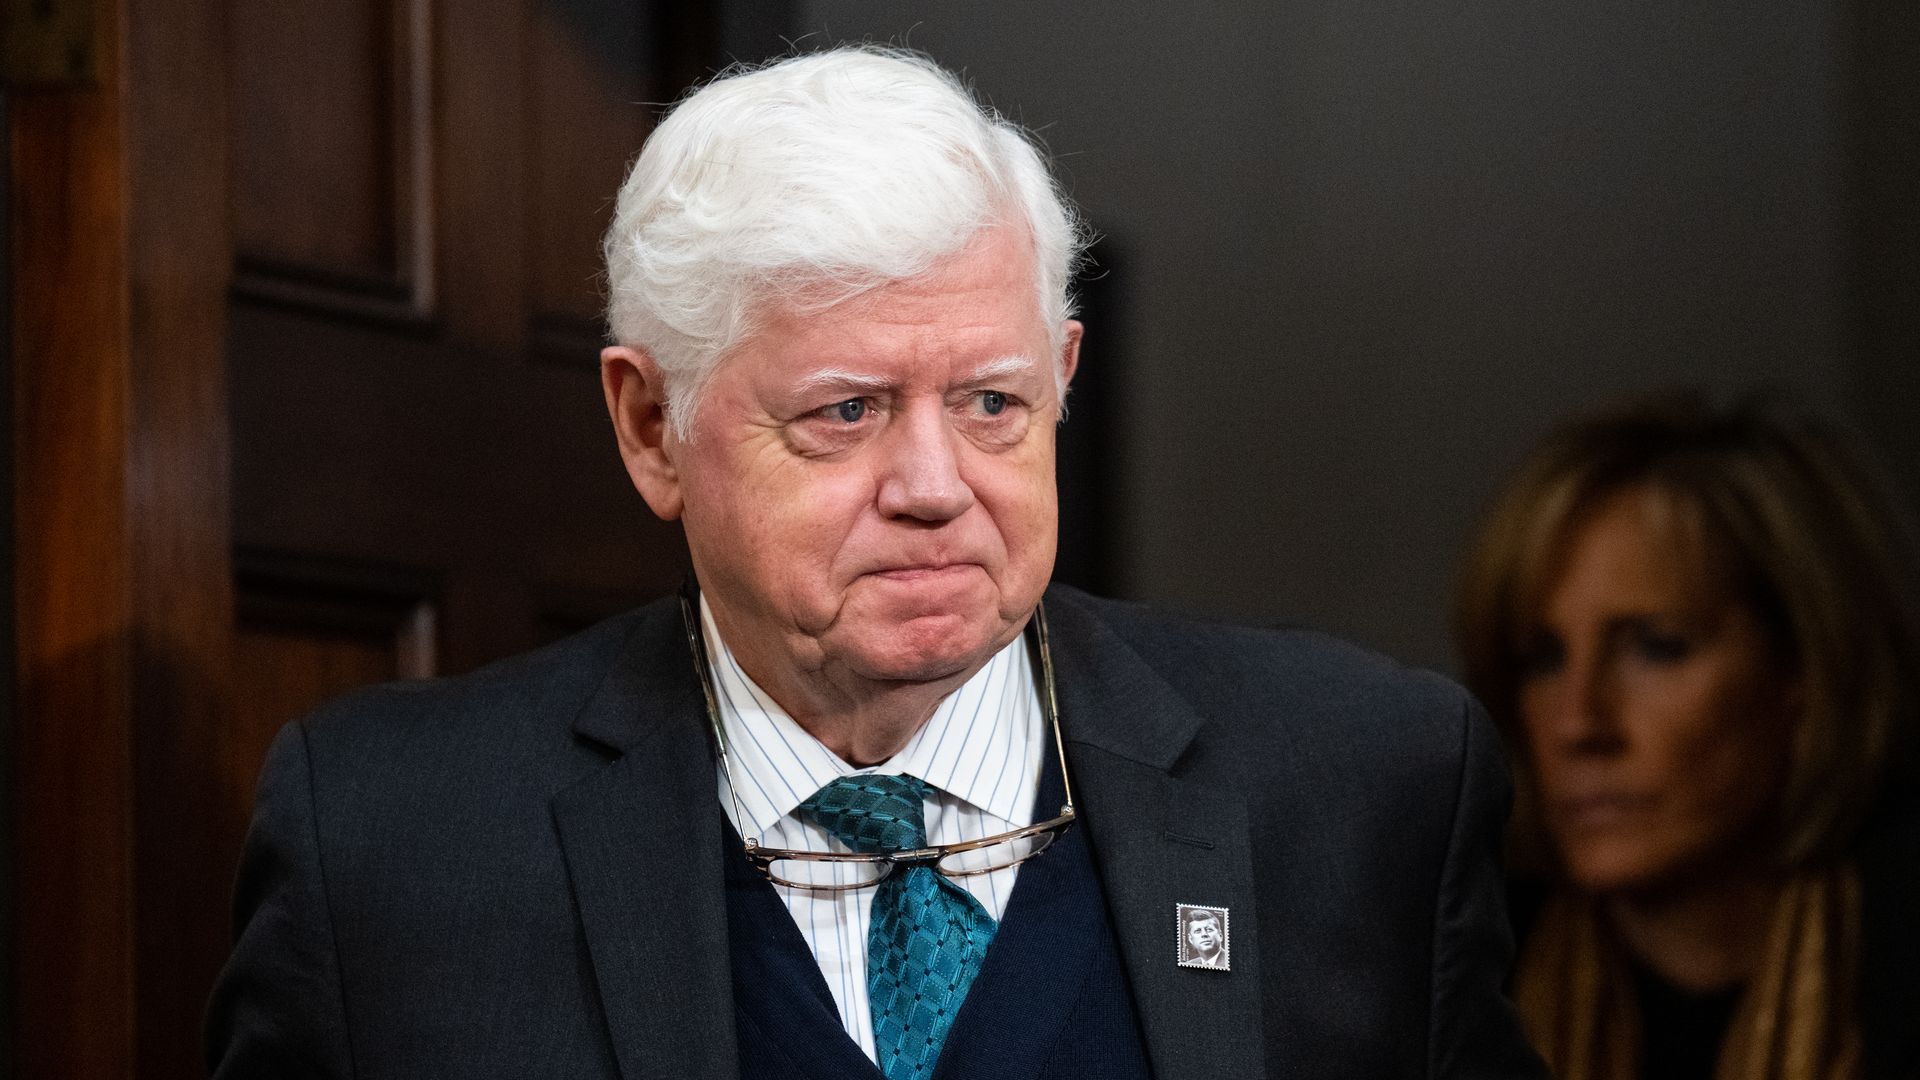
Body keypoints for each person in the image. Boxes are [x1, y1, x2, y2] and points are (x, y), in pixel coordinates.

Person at [208, 46, 1544, 1080]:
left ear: (1063, 375)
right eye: (845, 412)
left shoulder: (1365, 788)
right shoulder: (390, 841)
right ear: (650, 425)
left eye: (992, 403)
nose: (934, 488)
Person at [1454, 391, 1920, 1080]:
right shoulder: (1461, 974)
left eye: (1657, 647)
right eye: (1543, 659)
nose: (1578, 723)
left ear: (1806, 669)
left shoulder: (1899, 946)